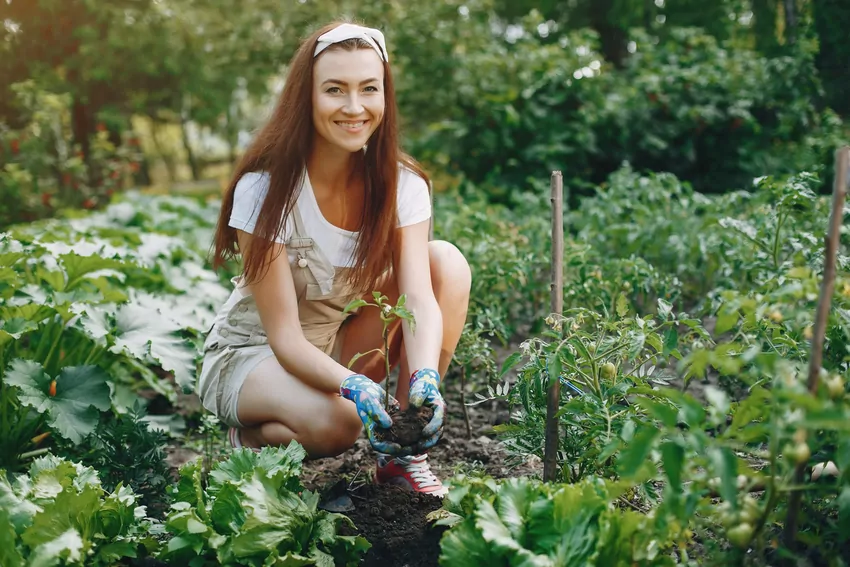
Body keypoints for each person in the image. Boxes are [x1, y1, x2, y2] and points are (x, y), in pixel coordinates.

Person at [197, 21, 472, 497]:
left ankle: (404, 457)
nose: (354, 107)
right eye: (334, 90)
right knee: (339, 425)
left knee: (444, 262)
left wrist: (424, 378)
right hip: (252, 354)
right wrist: (356, 386)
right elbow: (284, 338)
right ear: (307, 97)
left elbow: (419, 299)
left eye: (369, 88)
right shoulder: (264, 190)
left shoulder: (402, 184)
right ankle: (247, 439)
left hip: (332, 345)